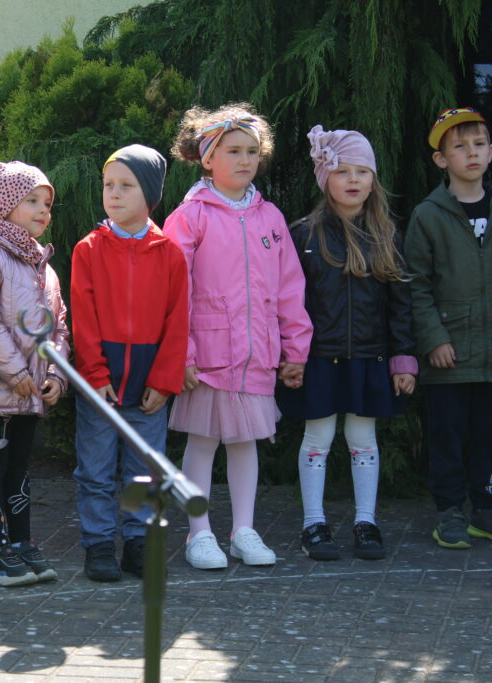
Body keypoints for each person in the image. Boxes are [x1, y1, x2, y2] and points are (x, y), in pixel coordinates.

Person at [163, 104, 313, 570]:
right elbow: (174, 292)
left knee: (246, 442)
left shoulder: (269, 217)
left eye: (252, 151)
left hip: (257, 354)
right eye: (233, 151)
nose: (244, 160)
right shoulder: (190, 217)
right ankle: (199, 533)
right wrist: (181, 355)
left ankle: (244, 529)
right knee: (204, 441)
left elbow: (290, 286)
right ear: (208, 158)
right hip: (207, 356)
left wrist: (296, 349)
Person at [277, 126, 416, 561]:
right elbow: (290, 301)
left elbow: (401, 305)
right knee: (316, 438)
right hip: (319, 359)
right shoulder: (304, 235)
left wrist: (403, 360)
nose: (353, 180)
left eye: (362, 171)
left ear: (373, 179)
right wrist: (291, 356)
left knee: (363, 440)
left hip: (370, 358)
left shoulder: (387, 235)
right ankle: (313, 524)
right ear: (325, 178)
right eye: (342, 171)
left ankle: (366, 522)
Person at [71, 146, 188, 582]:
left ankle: (138, 543)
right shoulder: (88, 250)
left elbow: (179, 323)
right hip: (100, 383)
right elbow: (83, 319)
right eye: (108, 185)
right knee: (96, 470)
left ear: (151, 194)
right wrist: (95, 375)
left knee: (144, 470)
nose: (114, 194)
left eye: (126, 185)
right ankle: (98, 545)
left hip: (148, 382)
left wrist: (165, 380)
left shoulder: (170, 254)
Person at [0, 161, 69, 587]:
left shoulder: (44, 265)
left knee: (19, 468)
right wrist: (14, 371)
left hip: (30, 392)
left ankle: (21, 545)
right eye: (33, 201)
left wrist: (55, 377)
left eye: (47, 203)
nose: (44, 210)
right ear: (6, 205)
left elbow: (59, 325)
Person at [405, 107, 492, 549]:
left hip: (490, 354)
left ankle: (486, 508)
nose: (471, 153)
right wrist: (433, 338)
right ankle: (449, 513)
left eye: (478, 143)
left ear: (491, 150)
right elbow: (416, 285)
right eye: (459, 147)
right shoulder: (429, 215)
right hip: (450, 353)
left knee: (487, 438)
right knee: (449, 437)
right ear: (442, 160)